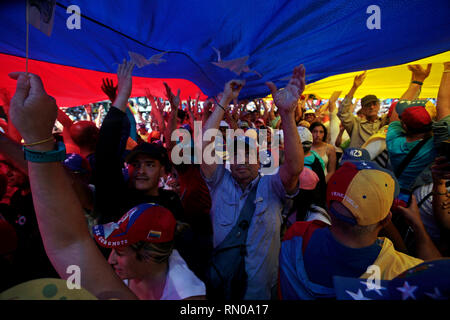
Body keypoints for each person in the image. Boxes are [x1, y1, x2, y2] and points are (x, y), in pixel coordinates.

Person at [201, 65, 305, 299]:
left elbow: (295, 167)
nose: (240, 161)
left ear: (260, 160)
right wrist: (224, 100)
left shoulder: (273, 185)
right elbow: (204, 146)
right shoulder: (219, 182)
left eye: (247, 154)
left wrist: (287, 116)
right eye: (235, 154)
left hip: (260, 295)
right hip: (221, 290)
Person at [279, 160, 442, 300]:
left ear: (328, 207)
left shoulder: (296, 235)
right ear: (386, 220)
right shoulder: (404, 273)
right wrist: (418, 227)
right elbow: (439, 275)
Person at [93, 202, 206, 300]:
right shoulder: (126, 272)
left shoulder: (186, 294)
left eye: (119, 252)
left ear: (150, 255)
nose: (110, 260)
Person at [337, 71, 385, 148]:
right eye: (368, 105)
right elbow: (342, 112)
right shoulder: (355, 124)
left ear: (379, 106)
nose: (371, 107)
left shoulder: (384, 121)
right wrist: (354, 87)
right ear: (362, 109)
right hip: (359, 159)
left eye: (374, 104)